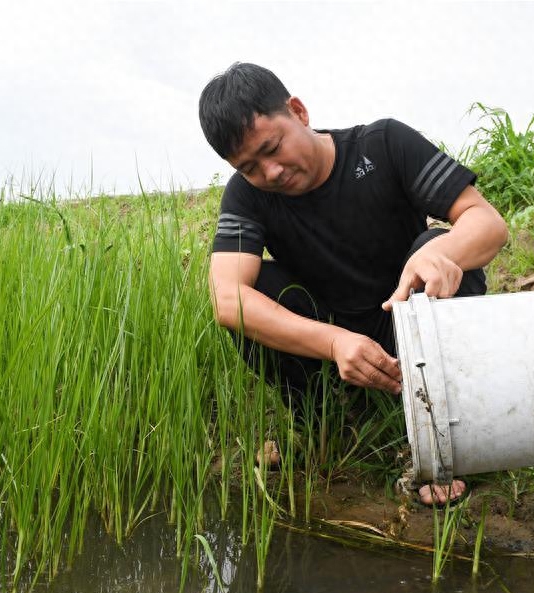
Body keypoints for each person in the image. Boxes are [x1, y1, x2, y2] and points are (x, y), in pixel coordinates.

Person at [198, 62, 508, 505]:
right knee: (257, 290)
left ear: (299, 112)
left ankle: (445, 435)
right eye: (249, 166)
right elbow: (227, 299)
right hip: (334, 344)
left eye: (273, 148)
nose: (270, 173)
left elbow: (488, 223)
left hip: (408, 318)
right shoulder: (247, 195)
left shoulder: (382, 145)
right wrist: (334, 342)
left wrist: (440, 254)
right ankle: (324, 426)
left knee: (440, 246)